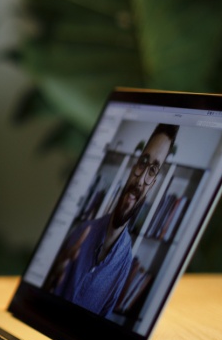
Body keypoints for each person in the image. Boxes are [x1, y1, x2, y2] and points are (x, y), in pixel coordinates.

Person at [47, 124, 178, 318]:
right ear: (133, 166)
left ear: (153, 185)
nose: (141, 179)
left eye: (152, 170)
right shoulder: (81, 231)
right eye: (143, 162)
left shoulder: (124, 266)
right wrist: (49, 280)